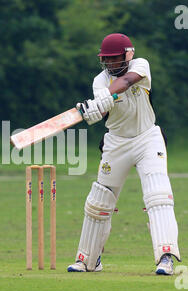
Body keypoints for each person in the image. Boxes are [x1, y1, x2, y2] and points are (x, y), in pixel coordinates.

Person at [67, 33, 181, 275]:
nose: (110, 64)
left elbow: (128, 81)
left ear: (127, 55)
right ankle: (88, 260)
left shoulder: (140, 65)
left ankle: (166, 256)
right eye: (106, 60)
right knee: (99, 203)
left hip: (147, 138)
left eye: (114, 58)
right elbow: (103, 108)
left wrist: (106, 96)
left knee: (158, 195)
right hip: (116, 143)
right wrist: (93, 110)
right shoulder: (99, 81)